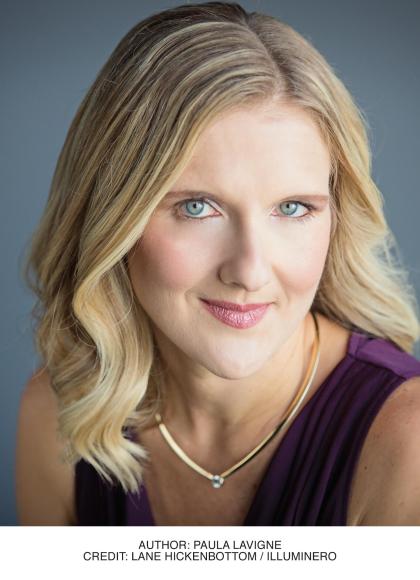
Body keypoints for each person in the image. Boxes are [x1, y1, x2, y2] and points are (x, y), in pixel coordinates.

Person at [16, 1, 420, 526]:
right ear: (113, 218)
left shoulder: (407, 440)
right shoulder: (60, 413)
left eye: (292, 208)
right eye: (196, 208)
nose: (249, 272)